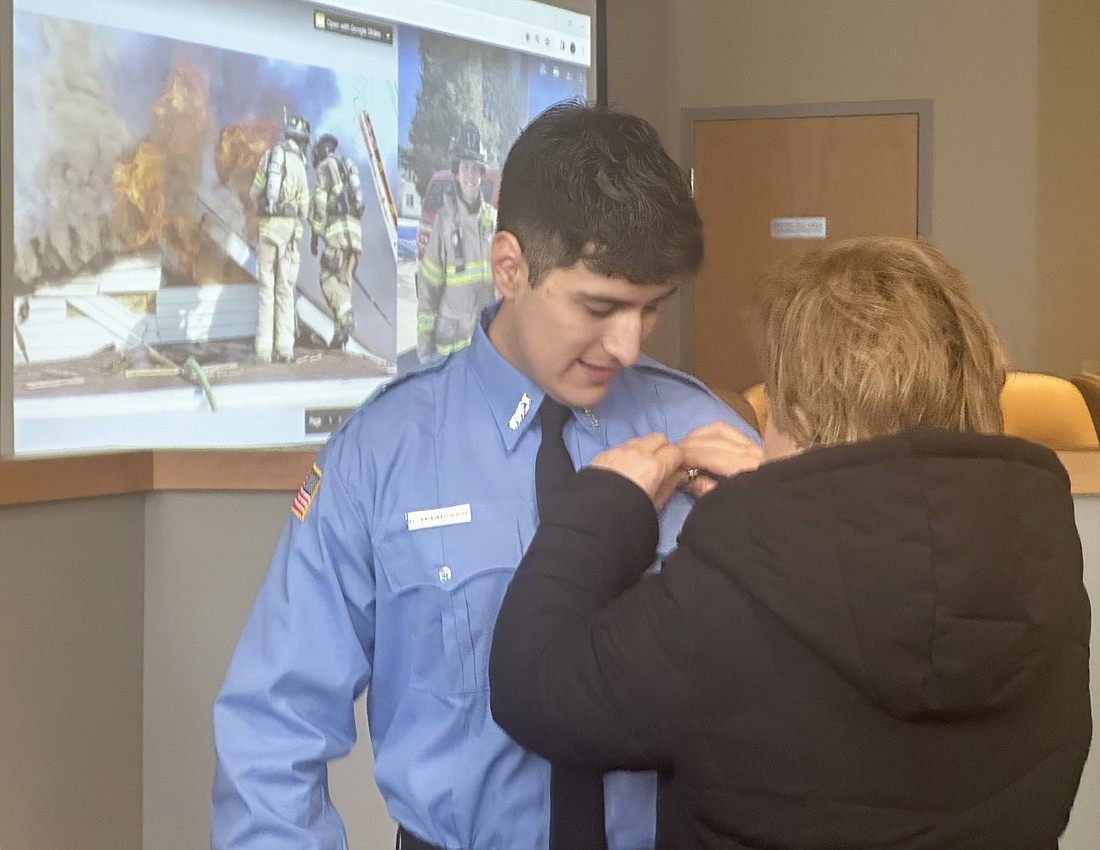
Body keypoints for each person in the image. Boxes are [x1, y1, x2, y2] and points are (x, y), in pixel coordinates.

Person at [211, 101, 761, 850]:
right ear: (510, 267)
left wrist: (780, 511)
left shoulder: (705, 432)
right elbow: (274, 728)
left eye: (651, 309)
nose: (628, 345)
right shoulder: (383, 453)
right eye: (600, 307)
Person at [490, 236, 1093, 849]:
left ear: (800, 415)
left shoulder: (731, 595)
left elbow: (536, 685)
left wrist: (605, 505)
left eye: (773, 402)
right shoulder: (1042, 565)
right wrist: (795, 508)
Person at [415, 119, 498, 361]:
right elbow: (428, 290)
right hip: (449, 350)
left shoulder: (492, 220)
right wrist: (425, 352)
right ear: (456, 172)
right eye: (465, 168)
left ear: (482, 174)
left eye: (475, 168)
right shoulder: (444, 221)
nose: (470, 175)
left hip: (483, 344)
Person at [249, 114, 311, 363]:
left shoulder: (268, 157)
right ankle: (285, 347)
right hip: (289, 236)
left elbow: (254, 191)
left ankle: (263, 349)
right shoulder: (300, 166)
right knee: (285, 290)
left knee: (266, 289)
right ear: (302, 141)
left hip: (267, 232)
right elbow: (305, 209)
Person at [309, 132, 362, 349]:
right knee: (344, 284)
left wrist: (314, 232)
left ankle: (347, 316)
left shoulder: (325, 168)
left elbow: (320, 201)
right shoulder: (346, 168)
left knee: (327, 278)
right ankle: (340, 335)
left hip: (337, 235)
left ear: (321, 151)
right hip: (356, 237)